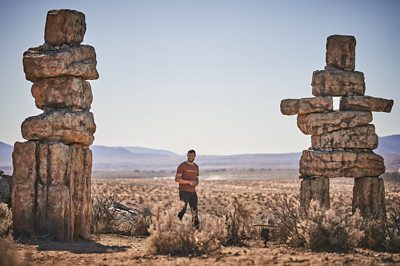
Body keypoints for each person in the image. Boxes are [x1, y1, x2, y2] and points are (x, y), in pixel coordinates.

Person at [175, 149, 200, 228]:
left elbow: (196, 178)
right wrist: (188, 182)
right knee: (183, 210)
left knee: (195, 210)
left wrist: (196, 183)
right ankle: (175, 226)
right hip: (184, 192)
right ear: (187, 156)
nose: (191, 157)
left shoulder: (196, 167)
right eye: (189, 156)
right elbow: (177, 179)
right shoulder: (182, 166)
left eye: (192, 156)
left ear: (195, 156)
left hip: (193, 192)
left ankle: (196, 229)